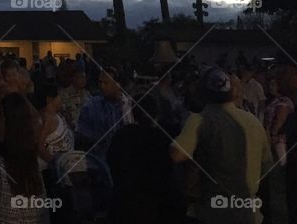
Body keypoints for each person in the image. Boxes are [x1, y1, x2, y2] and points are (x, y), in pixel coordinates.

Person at [171, 67, 273, 224]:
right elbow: (267, 164)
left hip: (213, 212)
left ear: (203, 92)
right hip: (248, 213)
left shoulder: (200, 120)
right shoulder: (253, 121)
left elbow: (177, 153)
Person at [107, 97, 180, 224]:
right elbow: (166, 174)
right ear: (157, 114)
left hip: (122, 203)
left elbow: (111, 162)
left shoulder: (121, 135)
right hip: (150, 205)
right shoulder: (161, 139)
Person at [0, 93, 48, 224]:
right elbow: (37, 119)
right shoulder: (32, 141)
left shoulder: (4, 142)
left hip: (11, 215)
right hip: (34, 214)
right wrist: (20, 95)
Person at [75, 67, 132, 161]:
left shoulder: (128, 105)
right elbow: (82, 135)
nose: (101, 86)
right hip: (99, 159)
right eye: (100, 82)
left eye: (106, 83)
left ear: (118, 85)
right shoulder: (91, 106)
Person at [37, 85, 73, 172]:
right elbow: (39, 146)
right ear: (50, 99)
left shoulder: (56, 113)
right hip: (57, 169)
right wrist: (56, 164)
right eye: (59, 96)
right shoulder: (47, 119)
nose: (61, 99)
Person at [263, 73, 293, 165]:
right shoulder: (274, 99)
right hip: (271, 135)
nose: (270, 87)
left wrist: (273, 134)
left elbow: (280, 119)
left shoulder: (283, 101)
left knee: (280, 162)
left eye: (273, 84)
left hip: (279, 138)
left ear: (279, 86)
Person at [59, 68, 90, 133]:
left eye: (84, 78)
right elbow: (63, 113)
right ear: (73, 78)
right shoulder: (64, 94)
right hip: (71, 130)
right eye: (81, 77)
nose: (84, 80)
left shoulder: (87, 94)